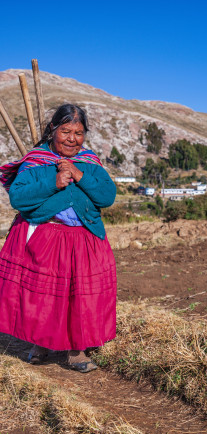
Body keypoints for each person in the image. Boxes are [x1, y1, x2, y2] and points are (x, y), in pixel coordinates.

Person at [0, 104, 117, 373]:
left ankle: (76, 351)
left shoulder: (89, 162)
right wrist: (55, 182)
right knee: (45, 297)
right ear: (53, 129)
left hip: (83, 237)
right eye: (66, 131)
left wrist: (78, 175)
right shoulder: (36, 160)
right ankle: (41, 344)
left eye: (78, 132)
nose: (72, 138)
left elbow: (106, 196)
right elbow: (18, 197)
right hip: (45, 233)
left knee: (78, 296)